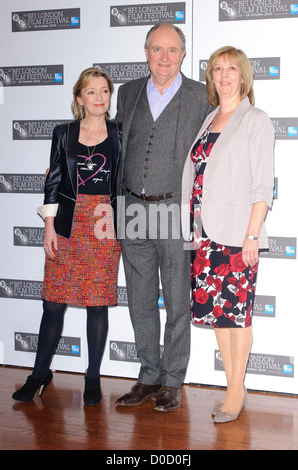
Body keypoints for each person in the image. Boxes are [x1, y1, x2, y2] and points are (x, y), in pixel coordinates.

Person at [115, 23, 213, 412]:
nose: (164, 57)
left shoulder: (200, 96)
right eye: (157, 49)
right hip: (131, 208)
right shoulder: (126, 93)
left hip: (176, 209)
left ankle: (173, 379)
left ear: (183, 55)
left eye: (172, 50)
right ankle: (148, 375)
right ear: (146, 52)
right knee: (139, 298)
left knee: (176, 298)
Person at [12, 67, 121, 406]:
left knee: (97, 303)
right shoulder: (63, 133)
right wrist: (48, 225)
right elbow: (54, 180)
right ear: (79, 98)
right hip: (67, 222)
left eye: (104, 91)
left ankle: (92, 377)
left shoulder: (120, 132)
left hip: (106, 222)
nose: (99, 97)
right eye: (92, 91)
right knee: (53, 302)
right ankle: (39, 373)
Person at [182, 46, 275, 422]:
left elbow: (262, 185)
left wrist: (252, 235)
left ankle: (236, 390)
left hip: (238, 233)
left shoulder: (256, 119)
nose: (223, 75)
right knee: (218, 313)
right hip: (204, 234)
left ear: (243, 75)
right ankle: (232, 385)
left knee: (237, 313)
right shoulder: (209, 119)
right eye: (217, 69)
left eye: (231, 69)